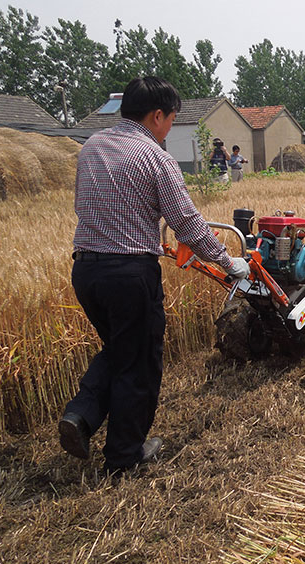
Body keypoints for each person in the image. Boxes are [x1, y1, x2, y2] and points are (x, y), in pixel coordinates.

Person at [59, 76, 250, 475]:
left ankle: (80, 415)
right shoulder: (154, 157)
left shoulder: (91, 147)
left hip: (86, 270)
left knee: (120, 348)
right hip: (129, 274)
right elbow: (186, 222)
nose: (169, 129)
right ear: (157, 115)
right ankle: (125, 456)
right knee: (140, 362)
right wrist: (227, 261)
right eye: (171, 120)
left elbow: (83, 203)